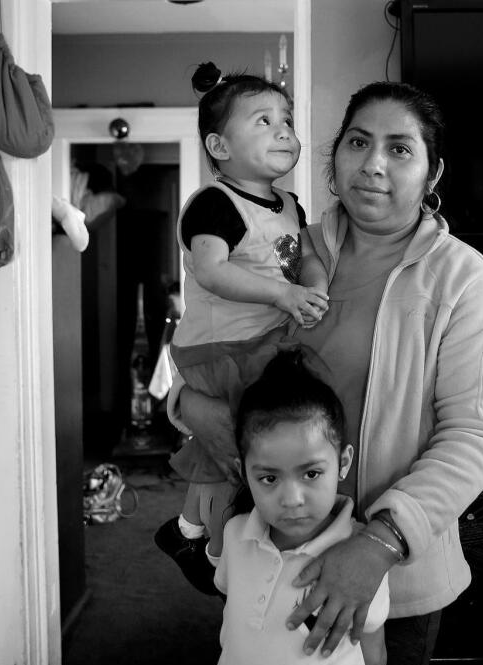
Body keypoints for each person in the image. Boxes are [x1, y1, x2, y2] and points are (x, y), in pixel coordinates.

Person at [172, 81, 483, 665]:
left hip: (391, 577)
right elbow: (211, 345)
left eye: (400, 149)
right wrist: (185, 405)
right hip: (272, 551)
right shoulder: (282, 252)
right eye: (359, 142)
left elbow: (476, 437)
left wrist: (380, 542)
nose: (374, 164)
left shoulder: (465, 282)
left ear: (433, 173)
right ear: (335, 158)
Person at [155, 61, 331, 596]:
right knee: (228, 450)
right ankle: (208, 548)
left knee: (243, 446)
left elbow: (306, 258)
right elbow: (210, 268)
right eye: (262, 121)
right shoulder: (216, 203)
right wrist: (283, 293)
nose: (283, 131)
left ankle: (192, 533)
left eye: (286, 120)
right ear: (220, 146)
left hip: (260, 345)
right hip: (218, 348)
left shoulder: (291, 206)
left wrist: (314, 284)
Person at [214, 350, 389, 665]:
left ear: (343, 464)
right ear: (244, 473)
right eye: (269, 478)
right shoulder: (236, 534)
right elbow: (236, 627)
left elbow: (373, 656)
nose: (292, 499)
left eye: (310, 474)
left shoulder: (360, 555)